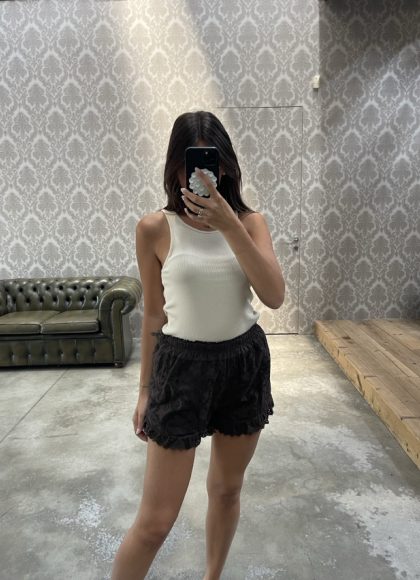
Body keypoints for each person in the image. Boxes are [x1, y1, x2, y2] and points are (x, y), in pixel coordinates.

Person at [111, 110, 285, 580]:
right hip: (181, 369)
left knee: (226, 491)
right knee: (154, 522)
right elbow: (154, 313)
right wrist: (145, 391)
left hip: (242, 364)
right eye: (194, 164)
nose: (206, 175)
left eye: (214, 164)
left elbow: (273, 295)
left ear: (226, 167)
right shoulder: (154, 228)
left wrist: (229, 224)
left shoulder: (250, 223)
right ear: (176, 169)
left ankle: (212, 576)